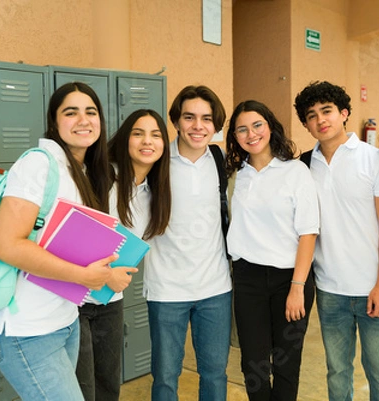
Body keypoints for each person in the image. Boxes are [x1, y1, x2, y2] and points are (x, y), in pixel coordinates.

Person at [0, 82, 119, 400]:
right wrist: (85, 277)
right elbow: (7, 245)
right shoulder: (38, 164)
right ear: (54, 122)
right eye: (70, 112)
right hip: (28, 329)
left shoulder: (82, 170)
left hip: (64, 319)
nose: (83, 120)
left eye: (91, 112)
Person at [293, 81, 379, 401]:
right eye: (311, 116)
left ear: (344, 113)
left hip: (374, 288)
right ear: (307, 125)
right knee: (337, 371)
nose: (320, 120)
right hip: (330, 290)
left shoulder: (374, 159)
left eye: (327, 111)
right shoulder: (303, 165)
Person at [225, 100, 319, 401]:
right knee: (252, 365)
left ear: (270, 127)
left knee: (286, 364)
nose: (251, 134)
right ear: (235, 136)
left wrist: (297, 287)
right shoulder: (234, 176)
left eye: (257, 125)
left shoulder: (295, 172)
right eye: (242, 129)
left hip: (290, 280)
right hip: (247, 279)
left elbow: (308, 232)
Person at [76, 109, 171, 401]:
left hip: (110, 301)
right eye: (138, 133)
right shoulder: (102, 178)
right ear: (125, 139)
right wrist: (107, 274)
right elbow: (75, 237)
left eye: (156, 135)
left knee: (107, 386)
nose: (148, 141)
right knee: (82, 389)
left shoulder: (153, 191)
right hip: (74, 300)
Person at [144, 85, 232, 401]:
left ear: (216, 124)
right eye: (189, 117)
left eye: (207, 119)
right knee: (166, 377)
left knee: (214, 375)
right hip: (167, 289)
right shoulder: (156, 160)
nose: (198, 126)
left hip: (215, 288)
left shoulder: (221, 159)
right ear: (177, 121)